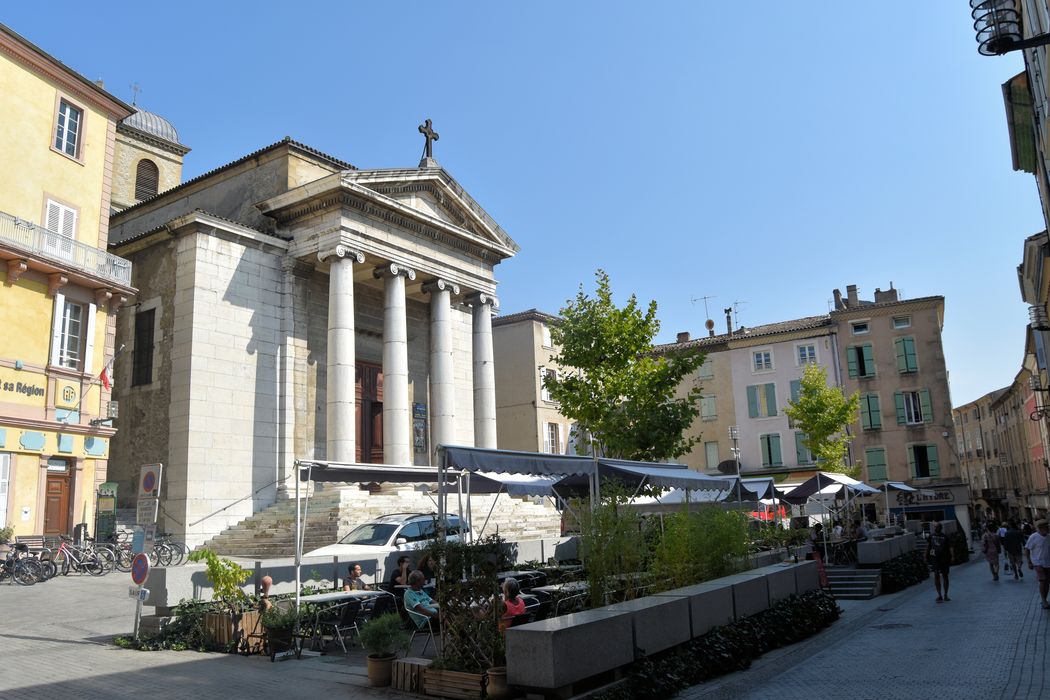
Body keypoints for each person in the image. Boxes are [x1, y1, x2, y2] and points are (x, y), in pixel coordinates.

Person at [926, 522, 954, 602]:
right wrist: (925, 555)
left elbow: (950, 547)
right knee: (936, 575)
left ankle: (945, 594)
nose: (935, 528)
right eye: (935, 527)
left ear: (940, 528)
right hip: (935, 558)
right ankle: (939, 595)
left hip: (944, 558)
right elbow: (928, 546)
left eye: (937, 527)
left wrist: (952, 556)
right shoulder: (931, 536)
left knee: (945, 576)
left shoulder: (945, 537)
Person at [1025, 520, 1050, 609]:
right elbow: (1027, 549)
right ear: (1040, 528)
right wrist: (1029, 562)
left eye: (1048, 527)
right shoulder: (1033, 537)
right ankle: (1043, 600)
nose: (1048, 528)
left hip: (1047, 563)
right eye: (1046, 527)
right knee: (1042, 580)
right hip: (1037, 562)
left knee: (1047, 582)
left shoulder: (1048, 537)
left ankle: (1044, 599)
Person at [810, 523, 828, 588]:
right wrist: (820, 536)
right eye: (819, 529)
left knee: (823, 550)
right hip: (810, 546)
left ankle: (820, 560)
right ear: (817, 528)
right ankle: (820, 561)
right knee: (821, 550)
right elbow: (814, 540)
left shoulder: (817, 532)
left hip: (815, 545)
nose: (820, 530)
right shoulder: (813, 532)